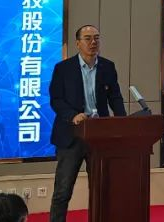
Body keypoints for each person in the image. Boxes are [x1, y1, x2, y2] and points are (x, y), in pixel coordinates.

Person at [48, 25, 127, 222]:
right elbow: (56, 99)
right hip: (71, 136)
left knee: (101, 189)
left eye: (96, 38)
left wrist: (123, 122)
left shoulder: (108, 67)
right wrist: (72, 115)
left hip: (99, 137)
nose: (93, 42)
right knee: (63, 191)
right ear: (78, 43)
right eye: (88, 38)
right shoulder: (63, 69)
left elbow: (115, 97)